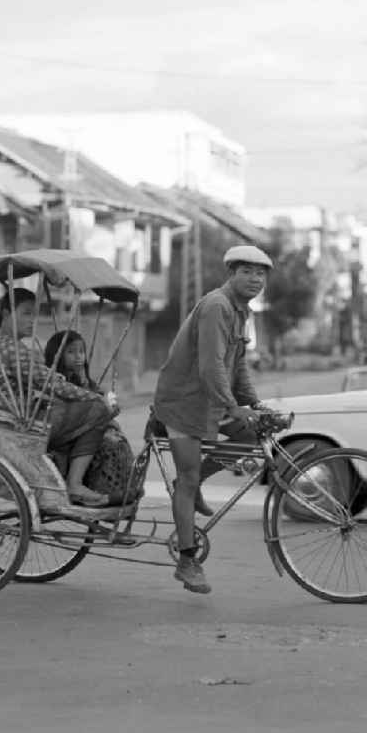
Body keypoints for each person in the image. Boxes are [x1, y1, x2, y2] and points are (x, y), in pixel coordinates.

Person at [154, 245, 273, 594]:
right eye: (247, 272)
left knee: (250, 437)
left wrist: (253, 404)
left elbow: (237, 366)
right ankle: (187, 561)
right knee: (187, 478)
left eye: (261, 273)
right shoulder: (217, 306)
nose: (255, 279)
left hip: (209, 401)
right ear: (231, 274)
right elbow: (211, 365)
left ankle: (192, 486)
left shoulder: (240, 312)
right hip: (183, 402)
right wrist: (234, 407)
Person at [0, 289, 115, 507]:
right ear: (6, 313)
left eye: (35, 314)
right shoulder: (14, 349)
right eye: (26, 313)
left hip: (1, 422)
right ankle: (75, 483)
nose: (33, 320)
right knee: (97, 409)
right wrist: (95, 398)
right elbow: (54, 384)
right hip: (21, 427)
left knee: (75, 405)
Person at [44, 330, 138, 505]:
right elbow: (87, 405)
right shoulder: (56, 380)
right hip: (60, 434)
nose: (78, 357)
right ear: (57, 354)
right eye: (71, 352)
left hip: (81, 433)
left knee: (117, 441)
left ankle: (116, 490)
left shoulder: (82, 379)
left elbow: (97, 395)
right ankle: (77, 484)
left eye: (81, 351)